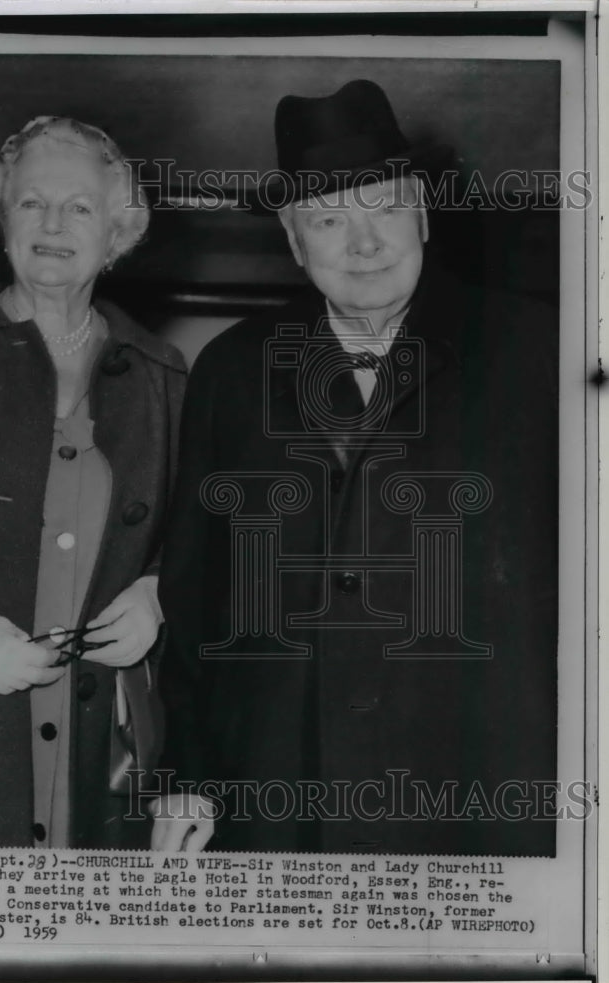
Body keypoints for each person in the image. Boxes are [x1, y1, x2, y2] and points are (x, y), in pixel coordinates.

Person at [152, 80, 558, 856]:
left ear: (425, 213)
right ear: (293, 238)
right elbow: (198, 597)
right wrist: (187, 775)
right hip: (276, 790)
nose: (363, 244)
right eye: (330, 219)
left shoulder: (540, 352)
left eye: (384, 209)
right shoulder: (232, 371)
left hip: (481, 793)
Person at [0, 116, 186, 849]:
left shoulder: (161, 375)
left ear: (118, 231)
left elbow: (201, 538)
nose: (53, 224)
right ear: (3, 214)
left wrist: (161, 592)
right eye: (32, 202)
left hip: (102, 756)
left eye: (81, 207)